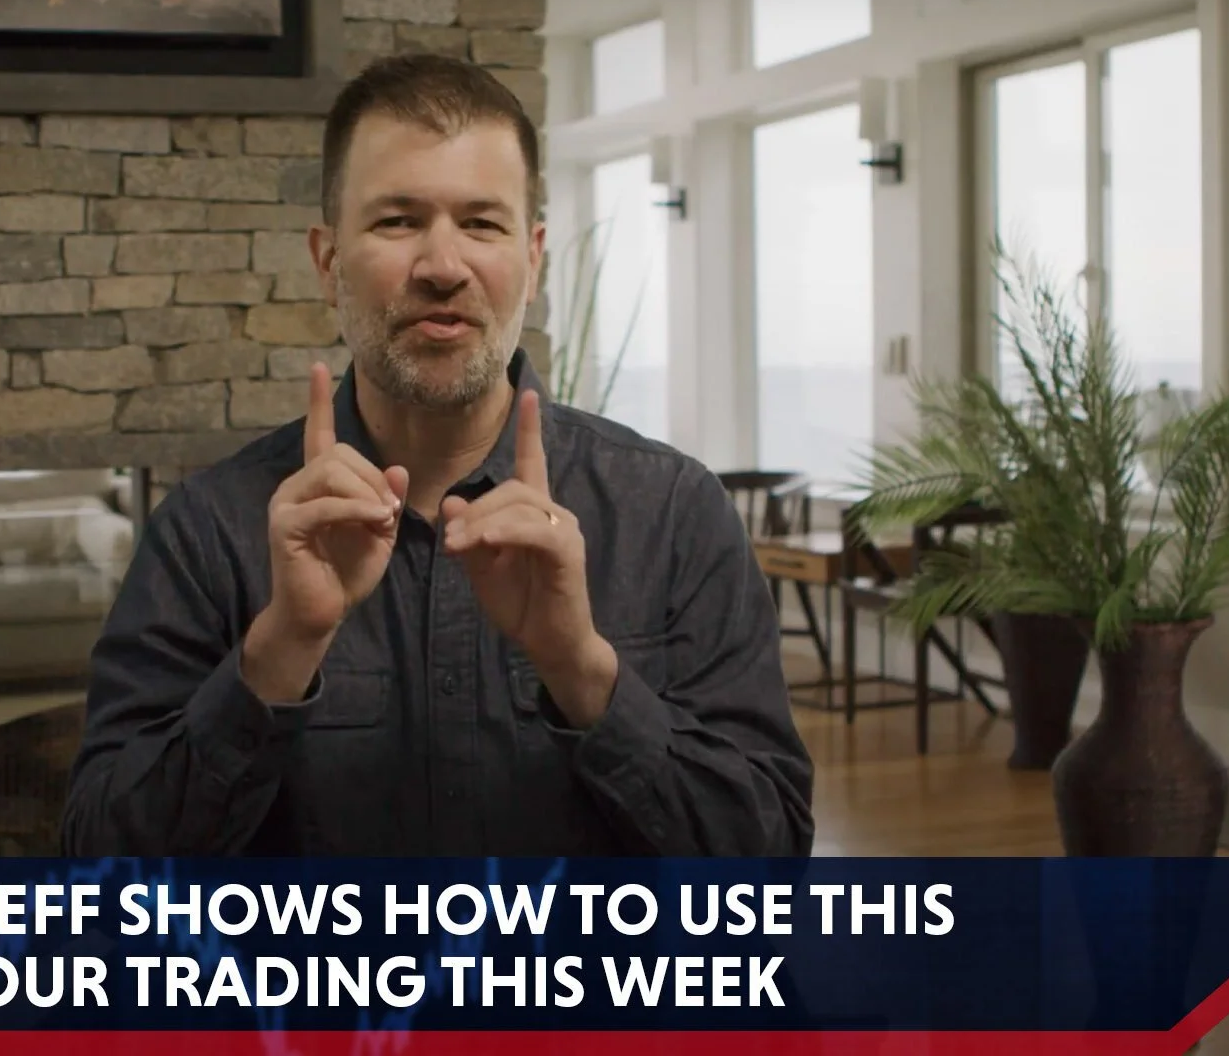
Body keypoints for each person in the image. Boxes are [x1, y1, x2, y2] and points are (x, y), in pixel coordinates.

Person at [61, 54, 814, 857]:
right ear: (326, 262)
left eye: (482, 224)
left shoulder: (672, 513)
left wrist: (583, 671)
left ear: (533, 259)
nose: (443, 267)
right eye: (397, 220)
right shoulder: (208, 531)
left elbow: (766, 859)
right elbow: (102, 866)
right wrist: (278, 651)